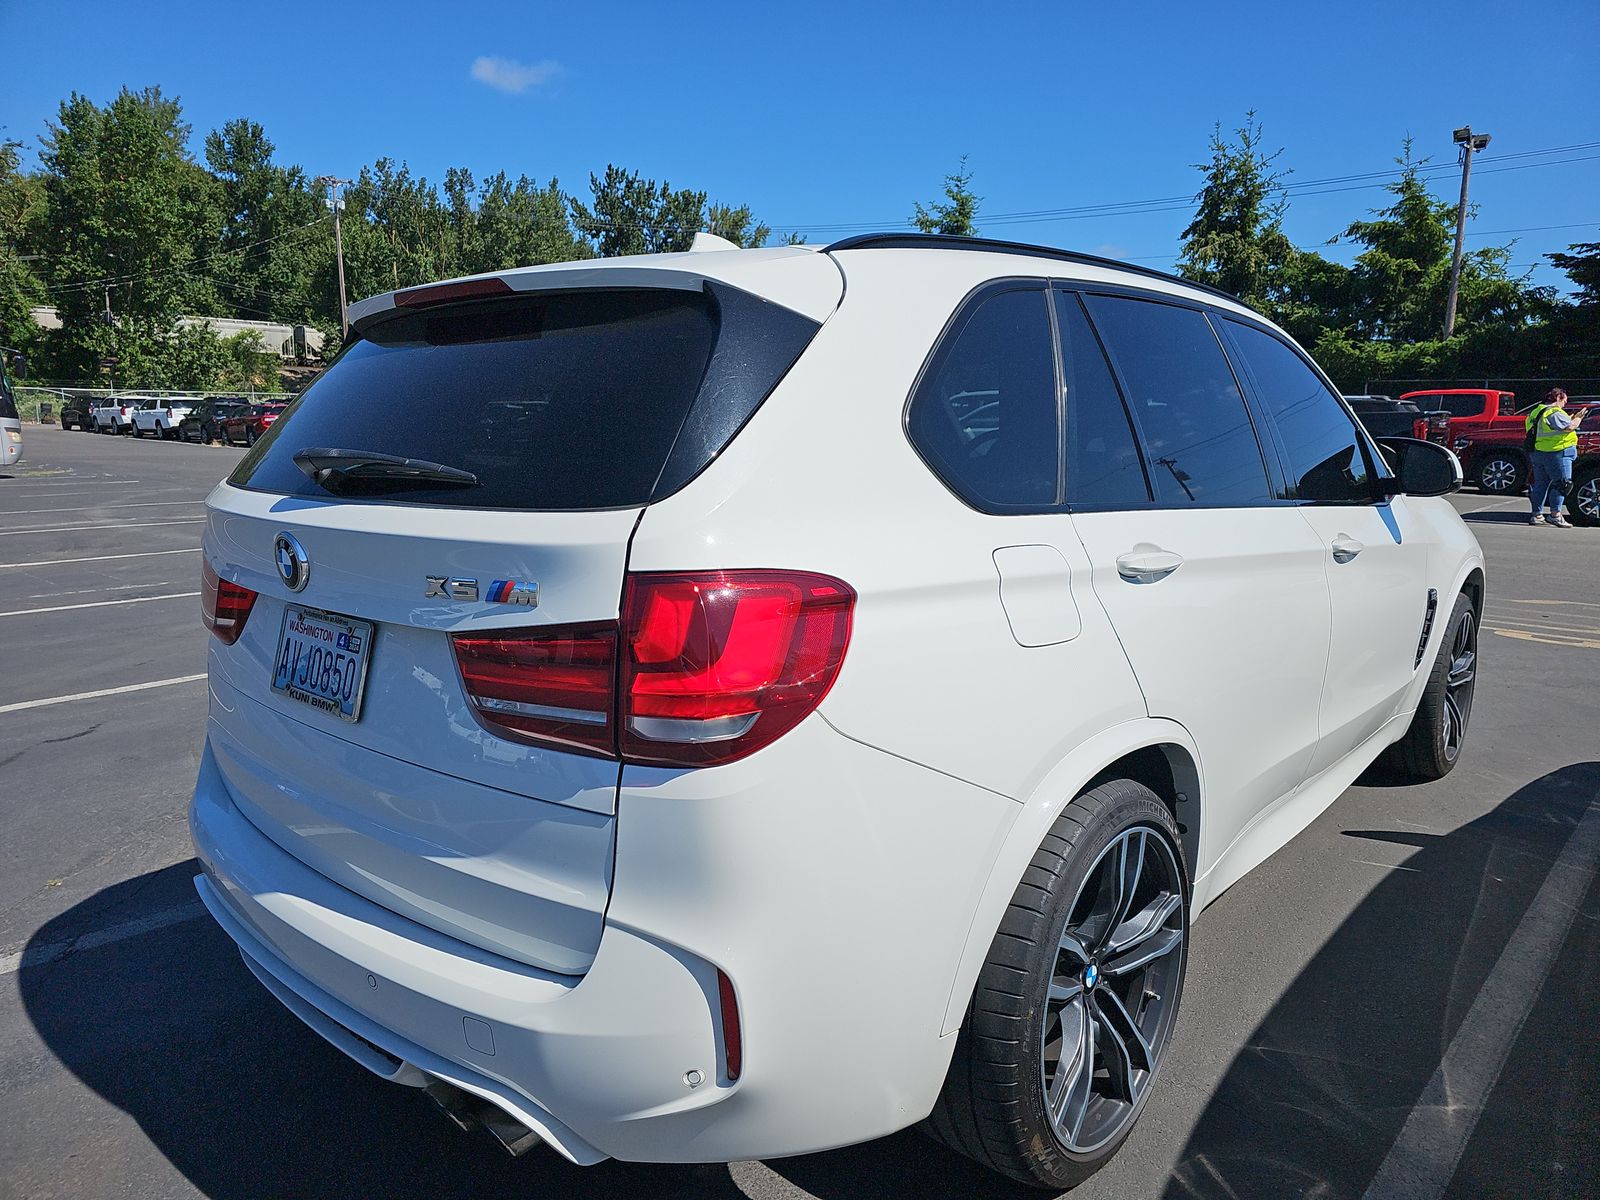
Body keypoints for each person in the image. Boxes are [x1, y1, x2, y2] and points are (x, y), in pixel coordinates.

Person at [1525, 388, 1586, 526]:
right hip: (1557, 453)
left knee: (1540, 484)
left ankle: (1537, 515)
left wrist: (1568, 418)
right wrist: (1578, 418)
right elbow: (1569, 427)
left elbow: (1549, 427)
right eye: (1564, 400)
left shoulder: (1535, 412)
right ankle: (1555, 515)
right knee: (1562, 484)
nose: (1564, 404)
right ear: (1558, 397)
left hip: (1538, 452)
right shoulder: (1554, 412)